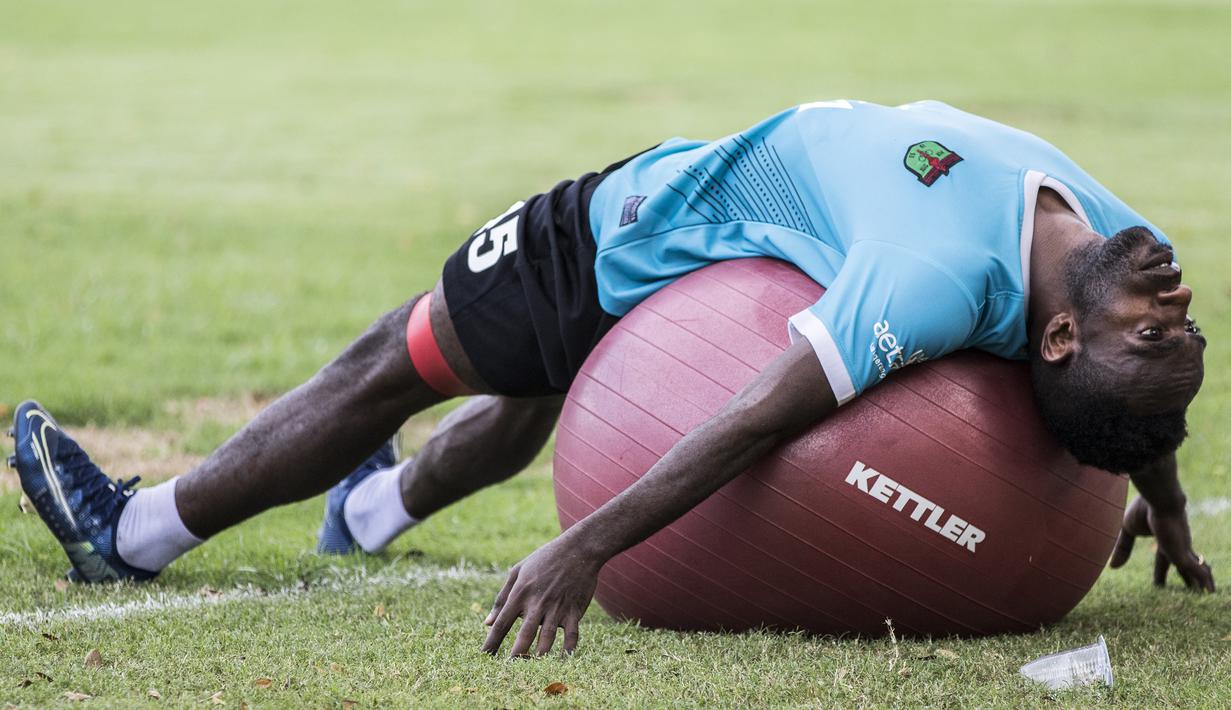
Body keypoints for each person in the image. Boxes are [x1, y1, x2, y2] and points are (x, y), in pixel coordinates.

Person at [10, 98, 1214, 657]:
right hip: (715, 250)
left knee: (394, 359)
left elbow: (754, 416)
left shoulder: (929, 279)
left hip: (623, 241)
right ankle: (368, 509)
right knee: (533, 396)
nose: (1171, 302)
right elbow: (1135, 392)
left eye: (1153, 334)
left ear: (1063, 340)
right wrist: (1160, 495)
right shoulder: (1120, 242)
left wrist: (583, 546)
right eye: (1182, 326)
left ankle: (132, 534)